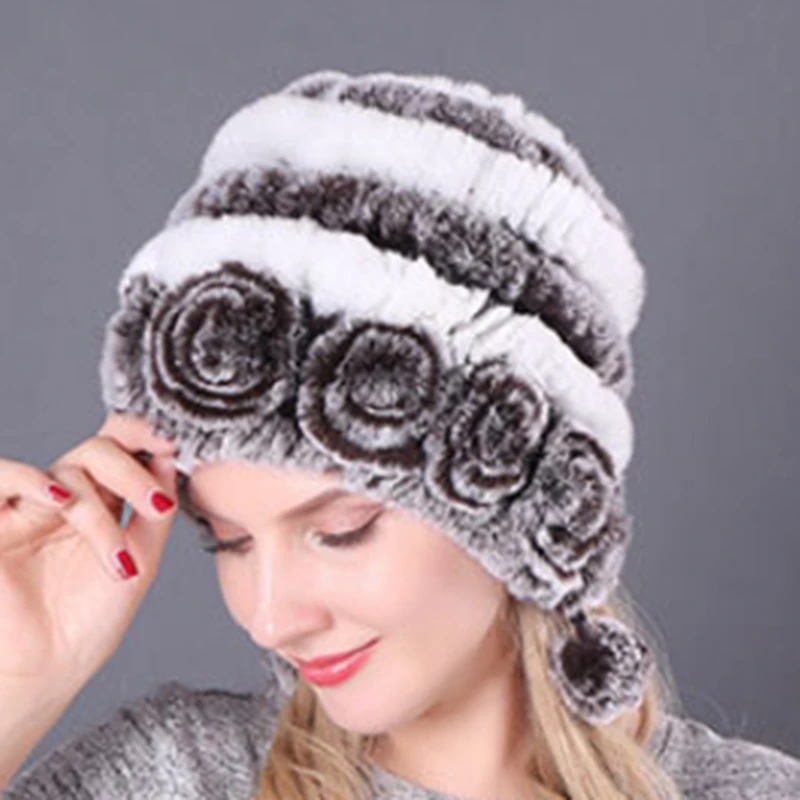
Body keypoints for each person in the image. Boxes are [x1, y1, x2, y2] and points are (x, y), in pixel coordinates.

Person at [1, 68, 799, 800]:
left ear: (523, 500)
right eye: (229, 541)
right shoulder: (177, 774)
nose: (271, 620)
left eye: (341, 530)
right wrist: (19, 676)